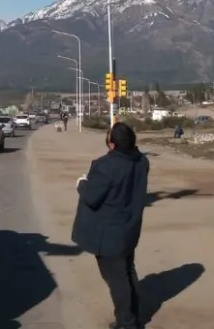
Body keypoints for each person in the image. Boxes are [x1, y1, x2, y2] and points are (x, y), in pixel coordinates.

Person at [71, 122, 150, 329]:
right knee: (128, 271)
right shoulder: (142, 160)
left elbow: (92, 197)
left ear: (112, 145)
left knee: (117, 280)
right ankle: (133, 316)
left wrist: (82, 183)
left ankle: (127, 322)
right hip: (129, 228)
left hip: (109, 234)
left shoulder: (106, 166)